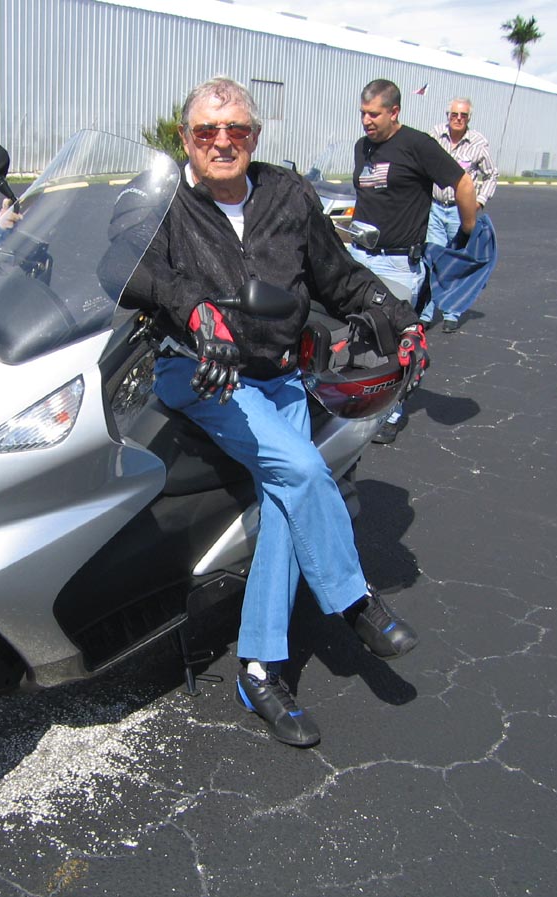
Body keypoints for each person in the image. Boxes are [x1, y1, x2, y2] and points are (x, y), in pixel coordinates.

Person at [122, 76, 424, 748]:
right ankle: (353, 600)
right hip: (202, 374)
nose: (222, 142)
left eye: (236, 129)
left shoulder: (289, 195)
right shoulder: (160, 199)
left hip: (280, 375)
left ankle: (258, 669)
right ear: (186, 139)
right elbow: (124, 268)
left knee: (286, 503)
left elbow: (338, 276)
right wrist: (193, 309)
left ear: (255, 137)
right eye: (207, 131)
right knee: (302, 470)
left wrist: (399, 318)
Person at [348, 79, 478, 444]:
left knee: (393, 342)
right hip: (360, 255)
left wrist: (467, 232)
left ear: (394, 112)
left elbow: (463, 184)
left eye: (374, 114)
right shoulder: (362, 147)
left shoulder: (417, 145)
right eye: (362, 113)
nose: (366, 121)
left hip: (397, 263)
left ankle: (391, 413)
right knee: (357, 335)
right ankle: (357, 398)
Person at [424, 97, 497, 332]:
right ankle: (425, 313)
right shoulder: (435, 136)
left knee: (456, 261)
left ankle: (452, 313)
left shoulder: (478, 143)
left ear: (469, 118)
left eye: (463, 115)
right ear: (448, 115)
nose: (458, 119)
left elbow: (491, 175)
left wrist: (479, 201)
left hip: (459, 212)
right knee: (431, 259)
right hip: (435, 208)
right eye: (454, 114)